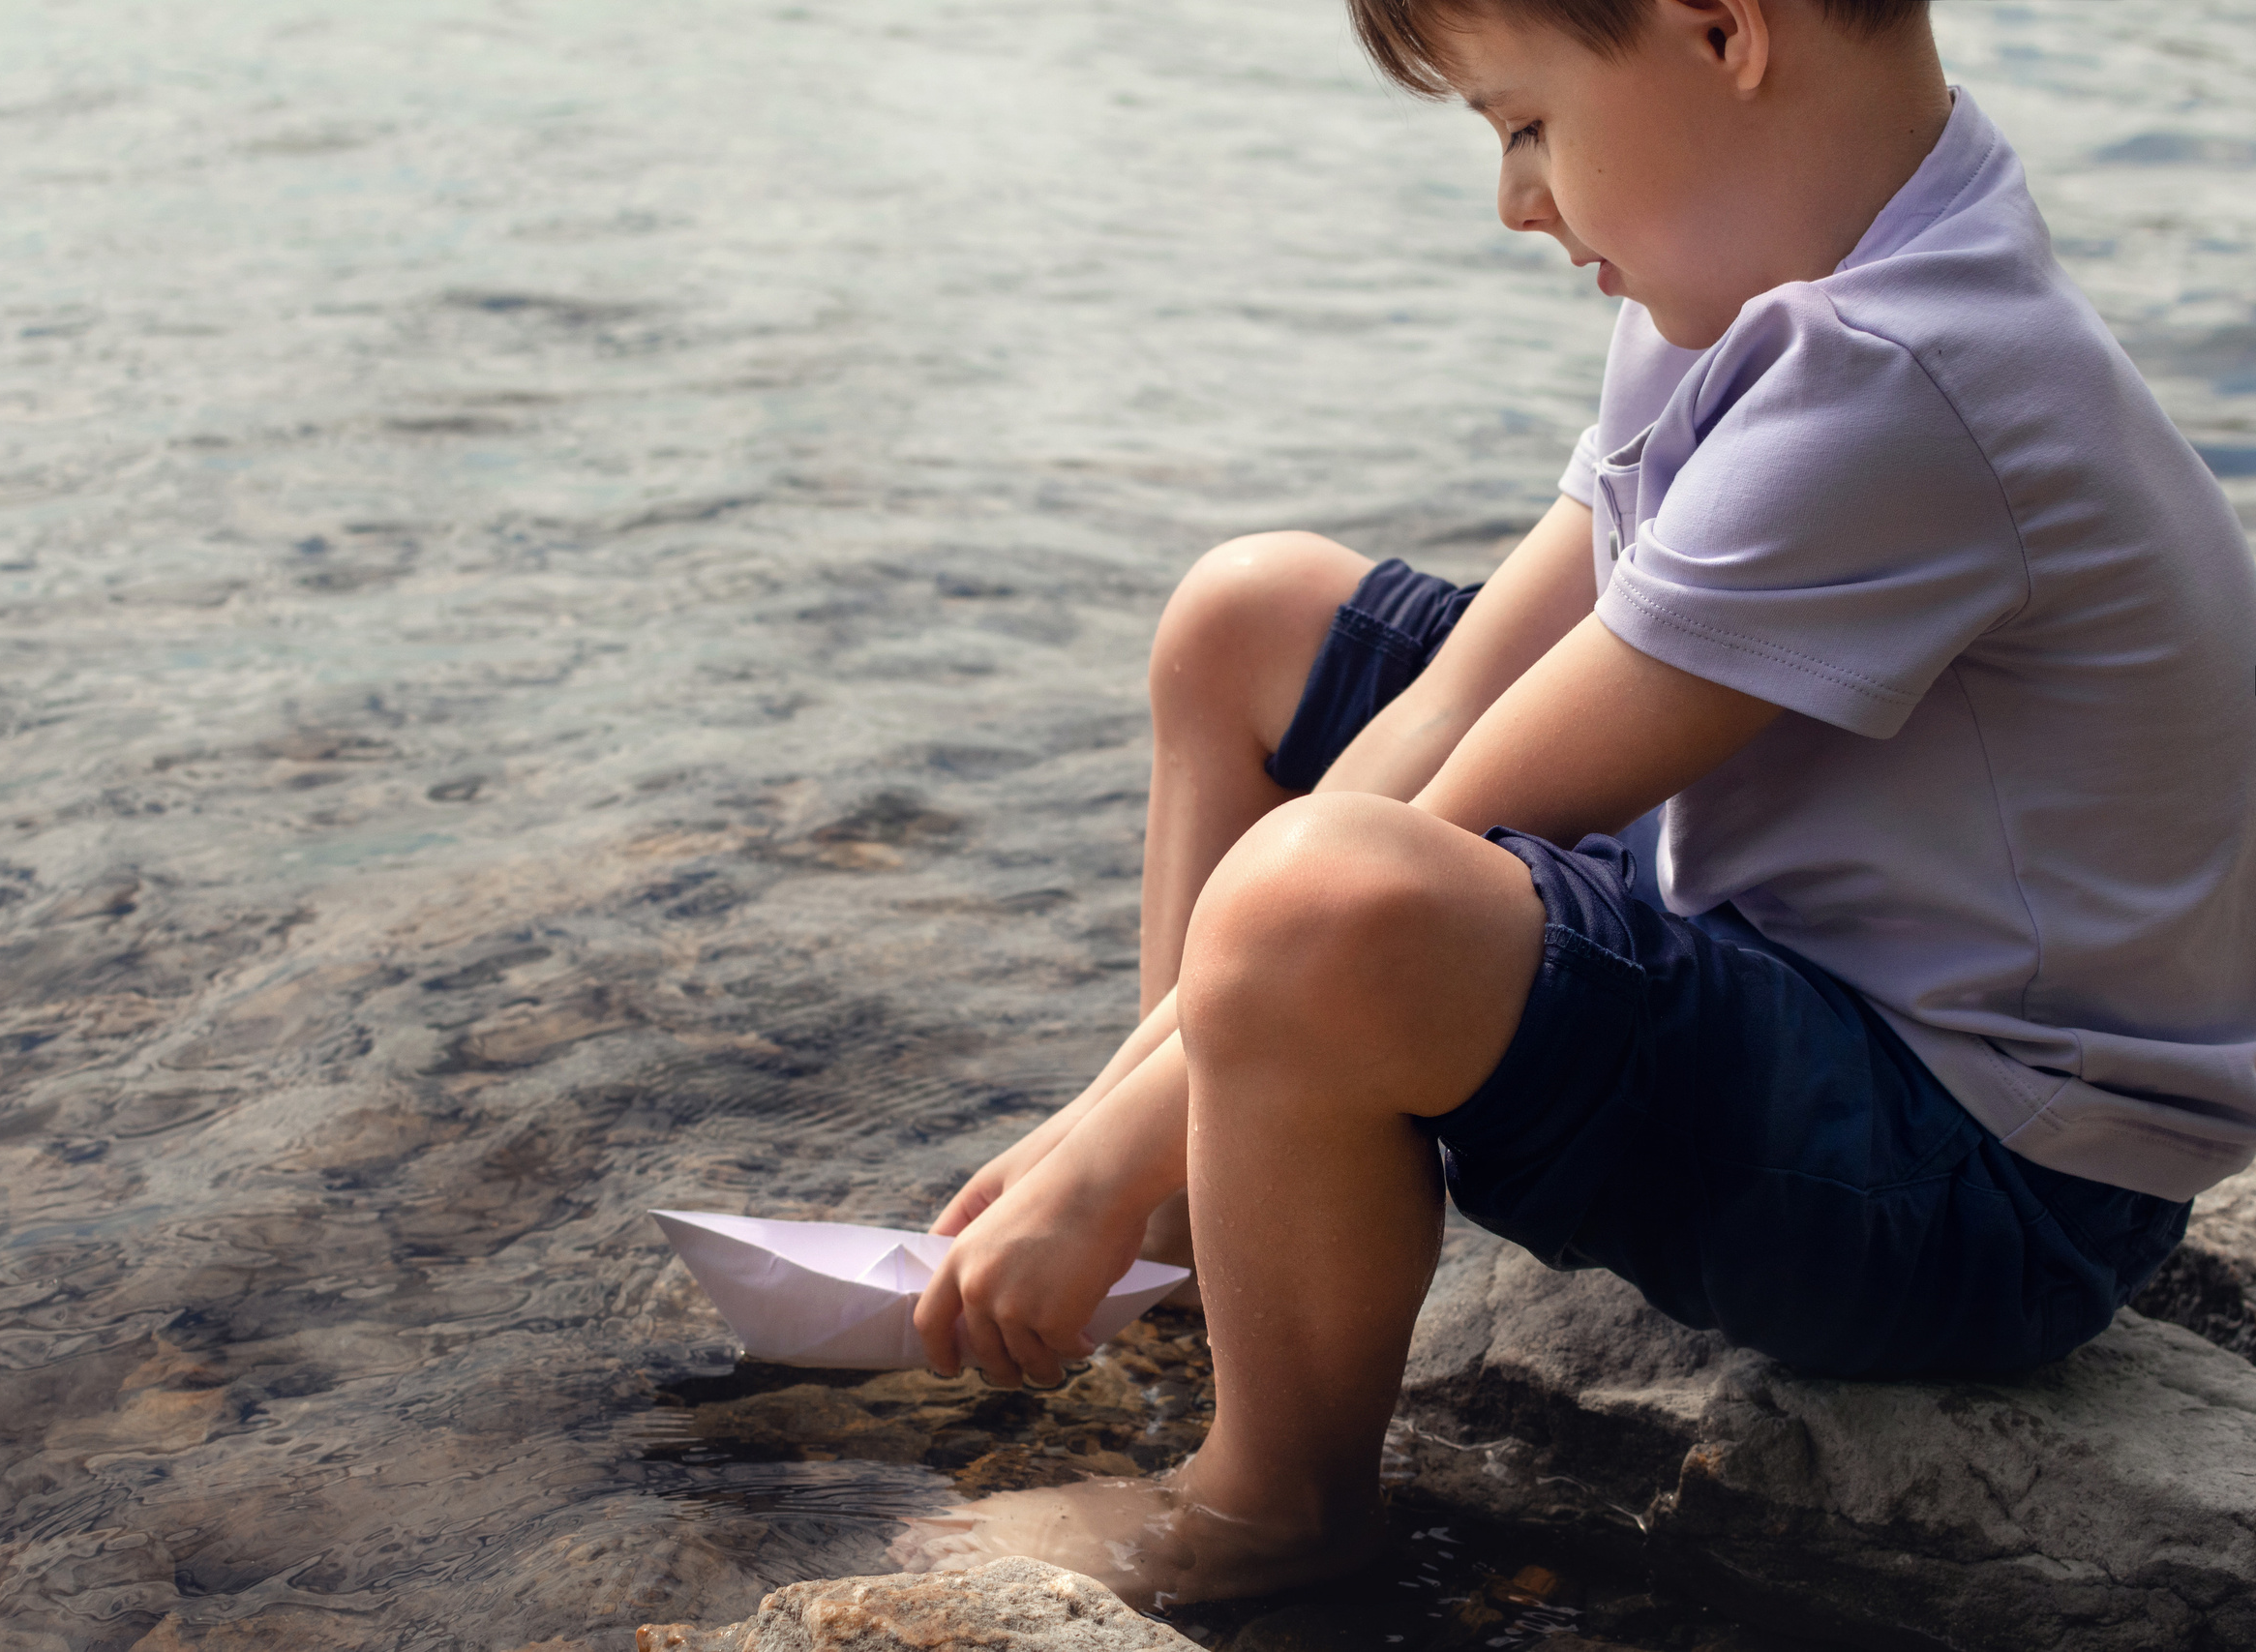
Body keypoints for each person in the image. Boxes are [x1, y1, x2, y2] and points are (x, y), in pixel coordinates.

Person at [887, 0, 2256, 1608]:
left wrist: (1101, 1148)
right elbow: (1464, 689)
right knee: (1247, 621)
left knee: (1315, 908)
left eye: (1524, 124)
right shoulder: (1766, 293)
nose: (1515, 201)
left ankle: (1274, 1501)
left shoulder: (1914, 373)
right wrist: (1106, 1138)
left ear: (1722, 29)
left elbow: (1458, 812)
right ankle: (1217, 1211)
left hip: (1986, 1184)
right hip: (1832, 980)